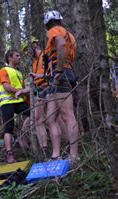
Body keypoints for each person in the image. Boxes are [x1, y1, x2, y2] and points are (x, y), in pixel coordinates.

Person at [43, 10, 79, 164]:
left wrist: (59, 71)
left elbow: (61, 44)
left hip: (61, 74)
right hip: (61, 75)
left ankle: (74, 155)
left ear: (48, 23)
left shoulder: (54, 31)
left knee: (67, 115)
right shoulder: (69, 34)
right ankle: (56, 154)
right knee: (51, 117)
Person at [0, 49, 31, 163]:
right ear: (10, 58)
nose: (19, 57)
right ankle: (9, 154)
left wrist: (25, 95)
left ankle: (22, 134)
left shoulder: (19, 73)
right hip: (7, 103)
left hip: (20, 101)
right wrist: (19, 91)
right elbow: (6, 86)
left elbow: (23, 89)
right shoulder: (3, 70)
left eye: (20, 55)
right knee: (9, 128)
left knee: (34, 113)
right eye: (17, 55)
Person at [18, 38, 49, 153]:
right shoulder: (34, 62)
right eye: (25, 51)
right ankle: (44, 149)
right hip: (39, 91)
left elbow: (52, 73)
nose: (26, 54)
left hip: (50, 89)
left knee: (55, 118)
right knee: (37, 118)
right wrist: (23, 91)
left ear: (34, 45)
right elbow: (34, 82)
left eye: (27, 50)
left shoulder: (46, 56)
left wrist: (39, 76)